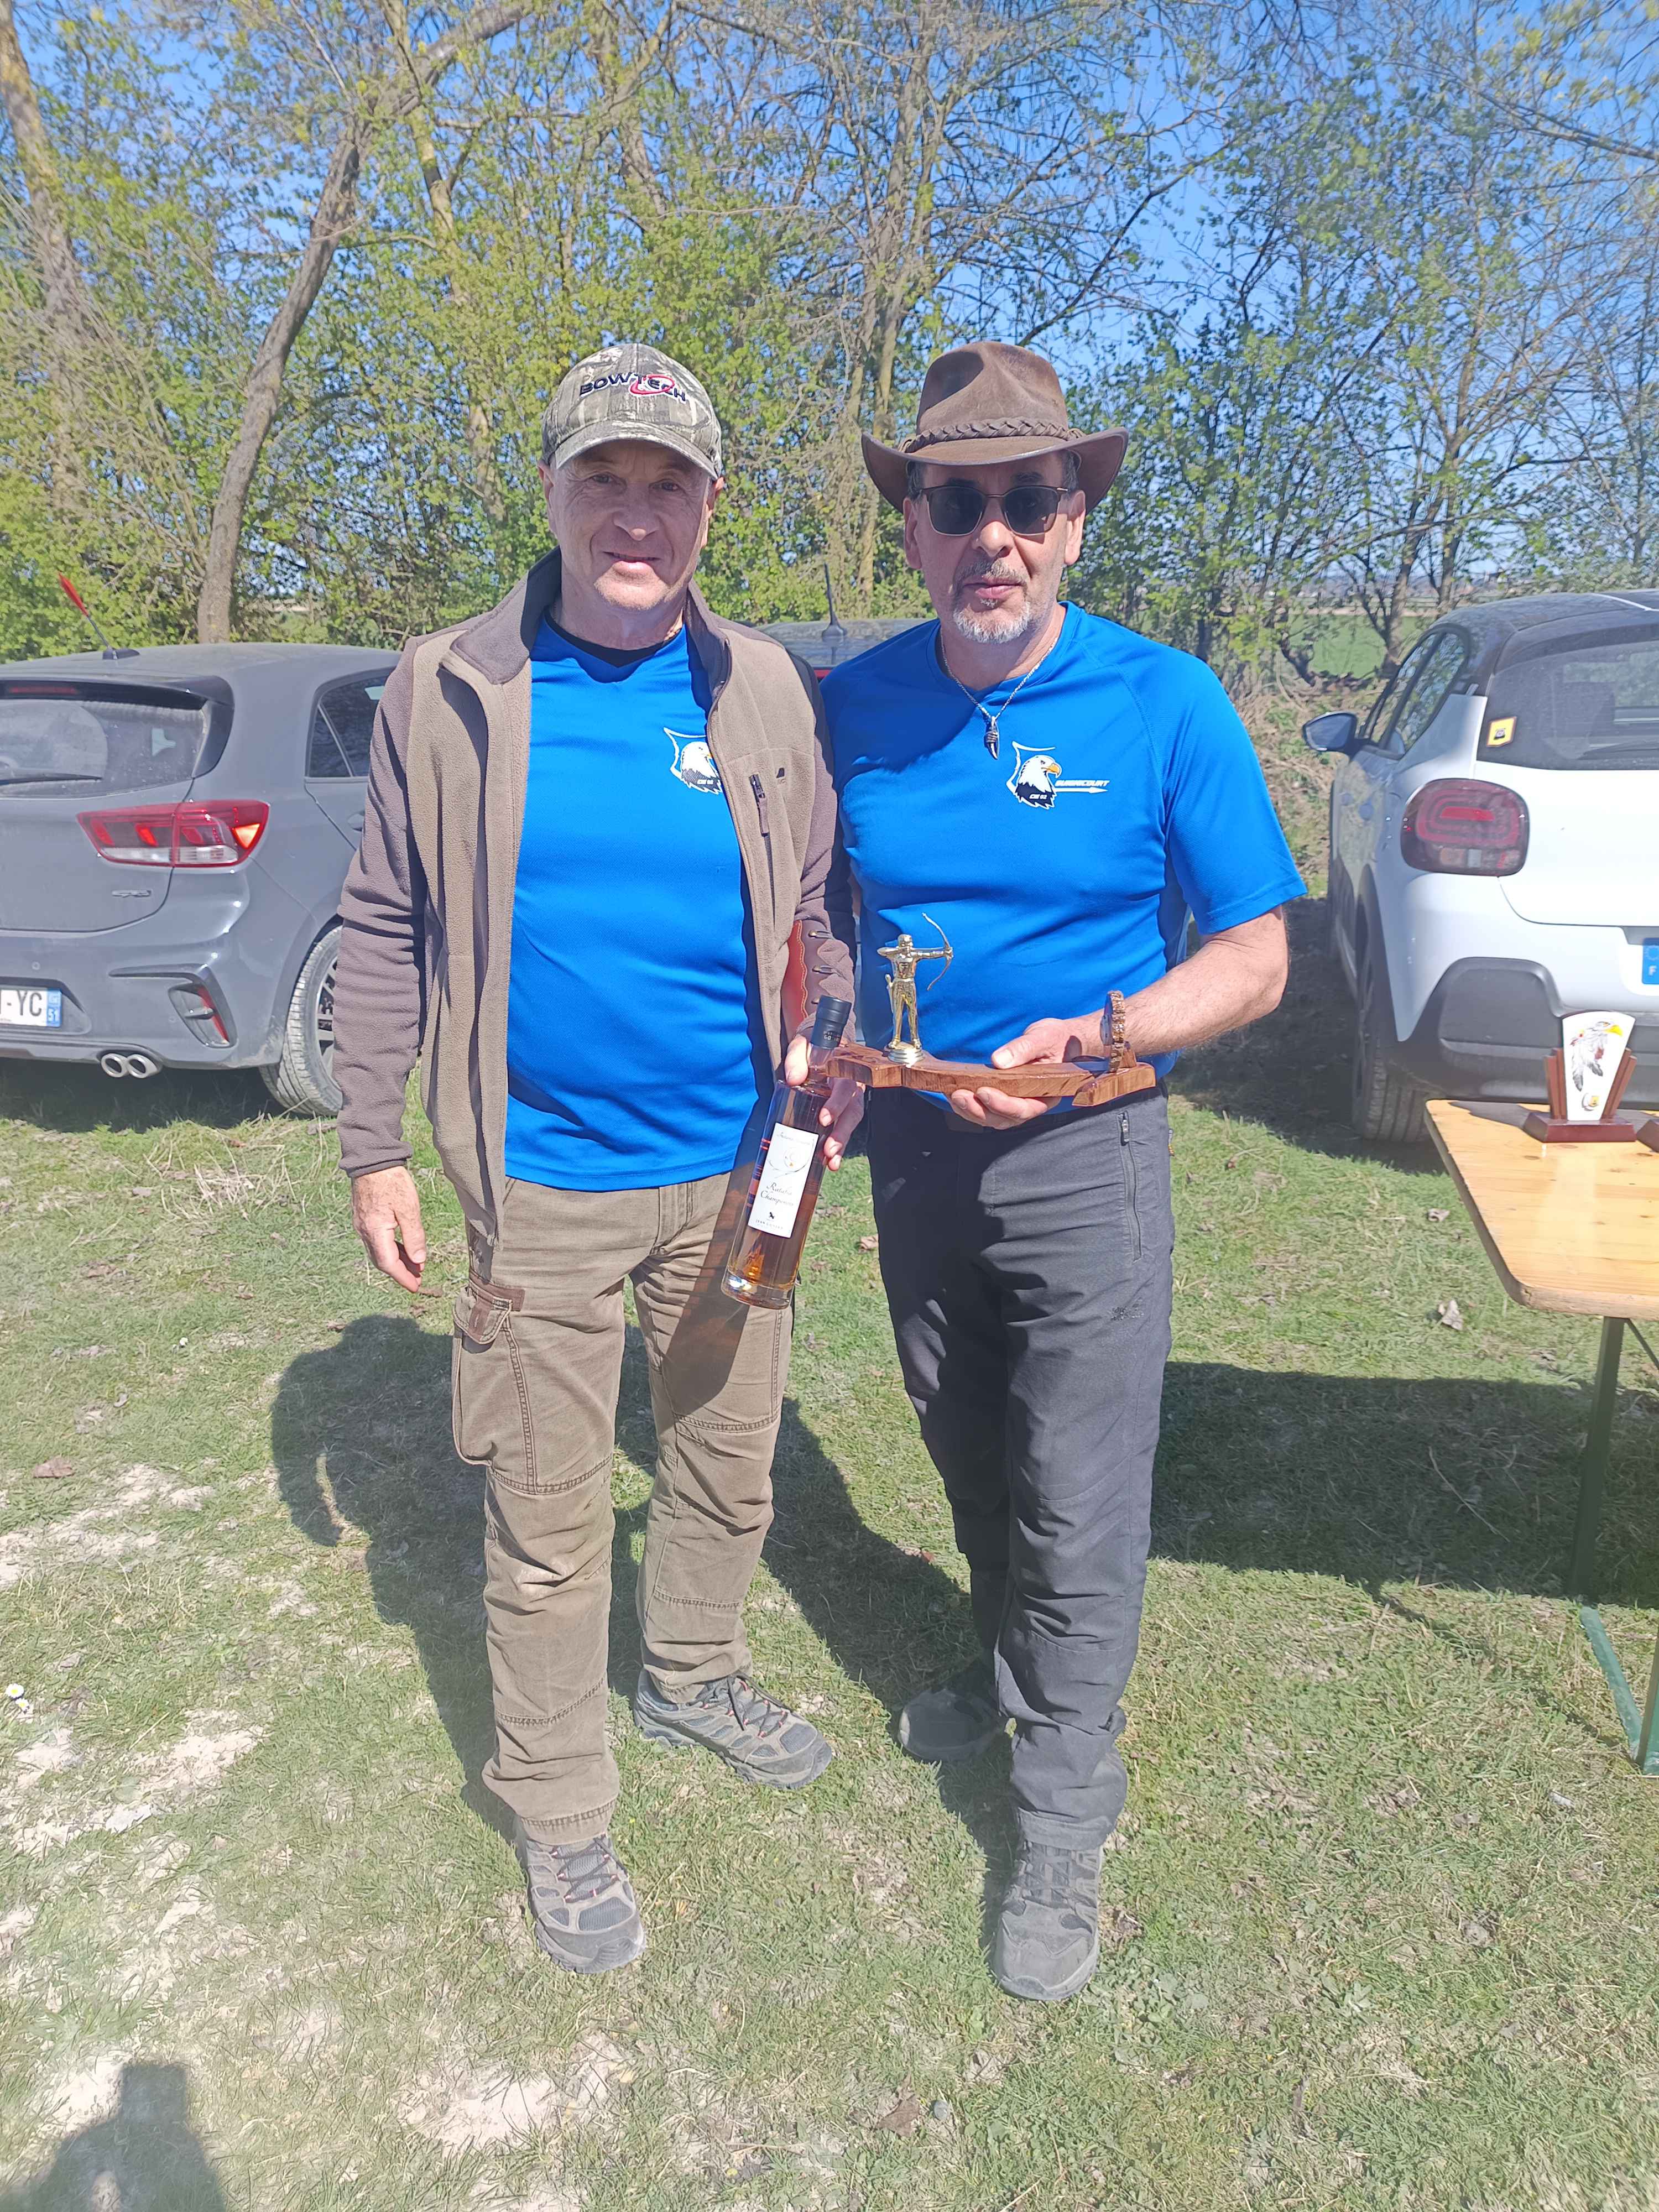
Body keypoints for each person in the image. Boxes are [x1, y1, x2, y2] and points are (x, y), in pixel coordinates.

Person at [332, 342, 857, 1975]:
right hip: (544, 1187)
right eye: (605, 480)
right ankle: (559, 1805)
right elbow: (382, 924)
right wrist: (372, 1145)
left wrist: (830, 1033)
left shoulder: (761, 688)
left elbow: (814, 907)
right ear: (554, 493)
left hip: (743, 1175)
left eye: (668, 486)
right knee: (550, 1521)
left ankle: (692, 1675)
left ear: (711, 505)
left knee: (725, 1459)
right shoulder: (450, 688)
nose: (638, 516)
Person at [821, 341, 1304, 2004]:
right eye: (958, 503)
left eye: (1029, 500)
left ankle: (1060, 1818)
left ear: (1076, 519)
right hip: (912, 1154)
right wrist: (837, 1032)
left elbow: (1256, 956)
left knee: (1077, 1489)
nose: (995, 537)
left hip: (1089, 1155)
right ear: (914, 525)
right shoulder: (858, 705)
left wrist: (1106, 1034)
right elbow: (823, 915)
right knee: (965, 1444)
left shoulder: (1165, 702)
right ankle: (1009, 1665)